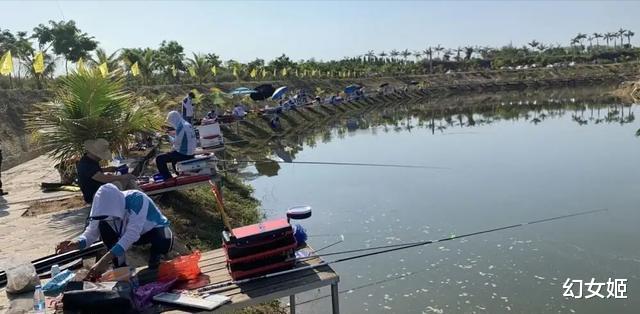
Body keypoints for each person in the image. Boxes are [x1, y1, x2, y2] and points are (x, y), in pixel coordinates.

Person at [56, 183, 173, 276]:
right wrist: (75, 244)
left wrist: (104, 260)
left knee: (163, 240)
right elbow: (91, 233)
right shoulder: (100, 209)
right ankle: (120, 265)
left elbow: (132, 234)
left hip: (151, 230)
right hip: (125, 234)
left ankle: (156, 259)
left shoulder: (137, 199)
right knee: (103, 227)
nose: (107, 218)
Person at [77, 139, 137, 204]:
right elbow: (103, 178)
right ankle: (118, 205)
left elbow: (94, 173)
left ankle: (138, 198)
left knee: (128, 180)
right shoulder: (86, 164)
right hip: (95, 195)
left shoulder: (91, 161)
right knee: (117, 184)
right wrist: (122, 176)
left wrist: (107, 169)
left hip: (100, 190)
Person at [155, 111, 196, 180]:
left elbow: (176, 142)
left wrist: (167, 137)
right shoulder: (187, 124)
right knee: (172, 156)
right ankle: (178, 173)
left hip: (184, 154)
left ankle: (168, 179)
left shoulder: (181, 127)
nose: (171, 124)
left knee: (159, 159)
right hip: (191, 152)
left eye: (171, 121)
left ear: (174, 119)